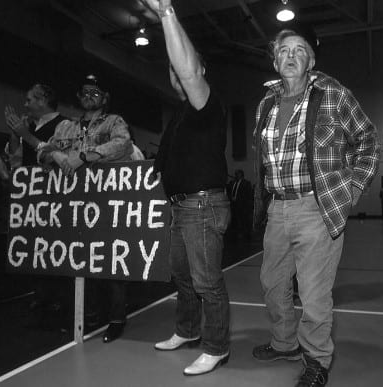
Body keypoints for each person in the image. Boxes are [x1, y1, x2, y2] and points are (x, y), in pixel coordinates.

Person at [251, 25, 379, 387]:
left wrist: (351, 189)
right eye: (283, 51)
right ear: (275, 61)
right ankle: (284, 343)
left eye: (299, 50)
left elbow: (368, 140)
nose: (290, 56)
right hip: (278, 208)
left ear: (311, 60)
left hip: (316, 207)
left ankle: (317, 361)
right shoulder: (266, 103)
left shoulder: (333, 94)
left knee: (313, 293)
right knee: (272, 284)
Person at [145, 0, 231, 377]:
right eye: (171, 69)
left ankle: (217, 347)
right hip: (180, 207)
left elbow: (190, 72)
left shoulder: (205, 104)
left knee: (206, 281)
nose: (176, 73)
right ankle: (188, 329)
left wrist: (166, 13)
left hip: (202, 206)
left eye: (181, 67)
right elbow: (159, 163)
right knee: (181, 275)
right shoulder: (178, 116)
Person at [38, 74, 133, 343]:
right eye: (85, 91)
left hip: (108, 203)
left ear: (105, 98)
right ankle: (90, 315)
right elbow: (42, 151)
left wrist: (83, 156)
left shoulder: (115, 122)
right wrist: (55, 154)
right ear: (78, 97)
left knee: (112, 262)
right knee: (81, 260)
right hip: (75, 206)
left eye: (96, 92)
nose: (89, 96)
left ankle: (116, 318)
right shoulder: (66, 127)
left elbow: (122, 144)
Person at [2, 83, 71, 329]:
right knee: (36, 246)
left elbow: (58, 156)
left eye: (30, 99)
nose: (26, 103)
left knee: (56, 246)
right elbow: (16, 159)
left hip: (55, 197)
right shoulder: (28, 126)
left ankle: (61, 298)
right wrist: (15, 133)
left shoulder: (65, 125)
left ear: (43, 100)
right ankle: (42, 294)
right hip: (33, 200)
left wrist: (26, 134)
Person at [229, 169, 252, 239]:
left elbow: (248, 195)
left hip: (242, 205)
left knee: (242, 220)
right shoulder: (233, 183)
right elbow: (230, 192)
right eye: (235, 174)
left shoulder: (246, 183)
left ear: (241, 175)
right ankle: (235, 233)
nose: (236, 175)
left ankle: (244, 233)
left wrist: (246, 205)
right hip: (233, 204)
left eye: (237, 174)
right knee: (235, 219)